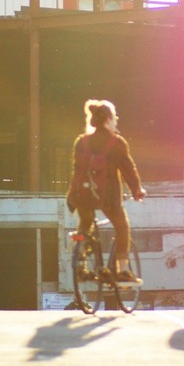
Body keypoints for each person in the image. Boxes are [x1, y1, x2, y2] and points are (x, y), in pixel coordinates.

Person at [67, 99, 145, 284]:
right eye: (115, 117)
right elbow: (128, 169)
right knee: (121, 225)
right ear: (109, 119)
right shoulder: (116, 142)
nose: (116, 121)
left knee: (85, 224)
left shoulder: (81, 142)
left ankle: (81, 262)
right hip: (107, 196)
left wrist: (72, 195)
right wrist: (137, 190)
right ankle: (123, 270)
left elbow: (77, 170)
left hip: (82, 194)